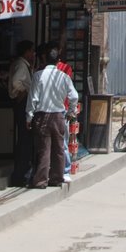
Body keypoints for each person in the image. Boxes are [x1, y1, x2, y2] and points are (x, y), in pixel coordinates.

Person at [26, 43, 78, 188]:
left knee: (44, 149)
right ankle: (57, 178)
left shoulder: (38, 76)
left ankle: (41, 180)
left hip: (42, 116)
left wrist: (29, 116)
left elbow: (33, 98)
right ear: (58, 61)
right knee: (59, 149)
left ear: (44, 59)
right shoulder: (64, 77)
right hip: (59, 116)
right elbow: (74, 96)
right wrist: (70, 112)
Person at [8, 39, 35, 186]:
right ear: (26, 52)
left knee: (25, 139)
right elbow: (16, 83)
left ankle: (22, 172)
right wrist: (23, 92)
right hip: (22, 104)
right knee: (25, 139)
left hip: (22, 104)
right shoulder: (21, 65)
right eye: (31, 51)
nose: (33, 54)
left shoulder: (24, 65)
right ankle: (20, 174)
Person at [57, 51, 75, 183]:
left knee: (46, 144)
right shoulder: (66, 70)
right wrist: (71, 111)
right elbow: (73, 96)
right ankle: (65, 171)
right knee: (63, 141)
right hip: (62, 109)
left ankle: (62, 170)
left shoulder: (39, 73)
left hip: (45, 112)